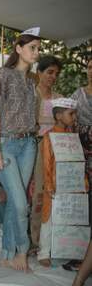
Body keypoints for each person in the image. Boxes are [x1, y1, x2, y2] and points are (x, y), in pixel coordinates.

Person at [0, 27, 41, 271]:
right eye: (32, 47)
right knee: (21, 204)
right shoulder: (3, 74)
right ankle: (21, 250)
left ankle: (6, 253)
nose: (37, 52)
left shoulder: (33, 81)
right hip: (7, 143)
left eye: (38, 48)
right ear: (18, 48)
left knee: (16, 200)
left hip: (29, 144)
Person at [37, 97, 78, 267]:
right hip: (53, 184)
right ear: (59, 116)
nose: (74, 117)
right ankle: (43, 252)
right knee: (49, 218)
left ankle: (64, 250)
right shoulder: (49, 136)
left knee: (67, 218)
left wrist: (81, 182)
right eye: (71, 114)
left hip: (70, 184)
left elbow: (77, 160)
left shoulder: (73, 136)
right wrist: (48, 184)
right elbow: (47, 162)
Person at [30, 55, 62, 248]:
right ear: (39, 72)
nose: (53, 77)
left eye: (56, 74)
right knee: (37, 195)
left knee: (53, 193)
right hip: (37, 149)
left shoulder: (60, 98)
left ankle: (51, 240)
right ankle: (35, 240)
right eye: (49, 72)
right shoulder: (32, 95)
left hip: (57, 150)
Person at [71, 57, 92, 226]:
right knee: (82, 189)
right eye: (90, 67)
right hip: (80, 151)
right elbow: (67, 118)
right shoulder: (77, 95)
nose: (91, 71)